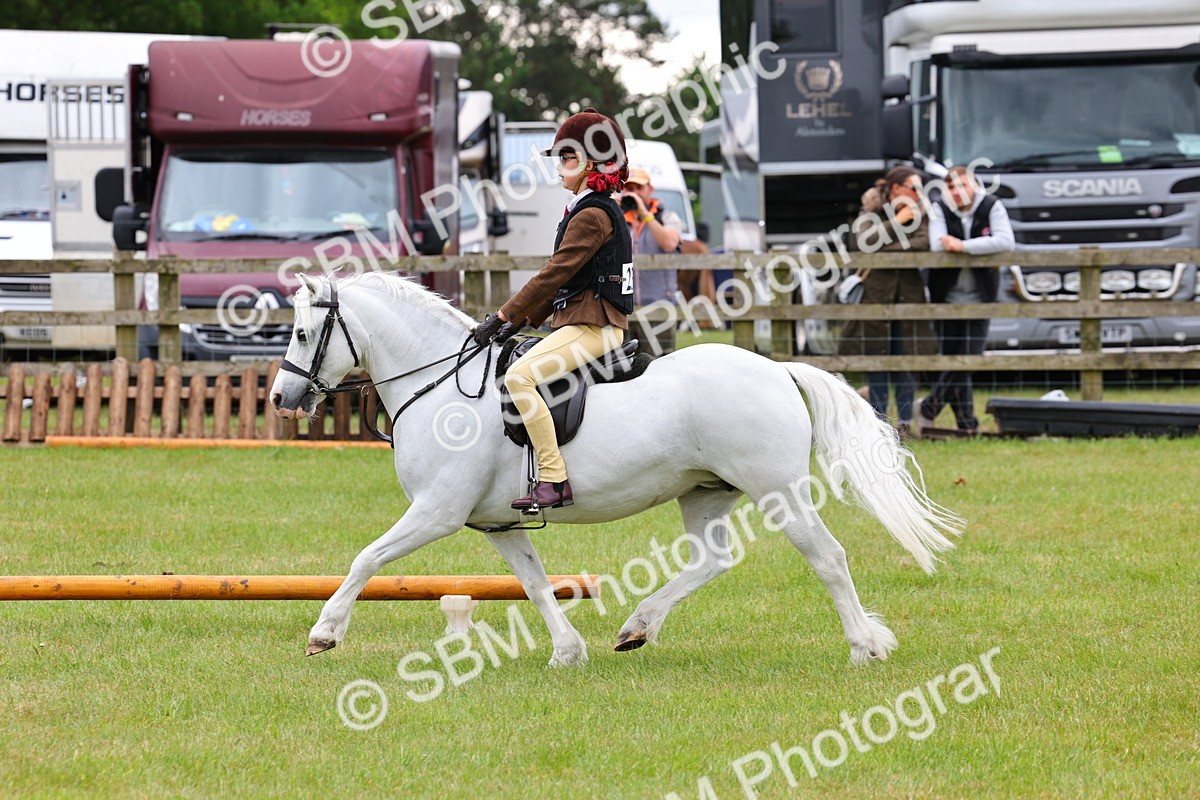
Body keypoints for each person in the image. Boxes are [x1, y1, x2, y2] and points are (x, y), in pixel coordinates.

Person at [472, 108, 633, 511]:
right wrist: (524, 321)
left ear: (591, 163)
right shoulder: (585, 208)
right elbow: (564, 281)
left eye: (567, 158)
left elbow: (553, 272)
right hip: (582, 320)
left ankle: (553, 477)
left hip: (595, 326)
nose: (559, 167)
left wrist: (503, 316)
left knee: (520, 378)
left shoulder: (593, 214)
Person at [838, 166, 937, 438]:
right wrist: (899, 221)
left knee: (905, 363)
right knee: (877, 362)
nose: (918, 194)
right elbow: (862, 241)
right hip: (876, 297)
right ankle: (879, 426)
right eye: (913, 188)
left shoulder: (921, 211)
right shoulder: (871, 208)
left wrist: (886, 245)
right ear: (896, 189)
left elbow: (923, 242)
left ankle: (904, 427)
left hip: (908, 297)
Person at [914, 166, 1014, 435]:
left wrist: (962, 246)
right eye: (952, 188)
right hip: (945, 296)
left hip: (980, 296)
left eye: (963, 186)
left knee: (968, 358)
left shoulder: (992, 205)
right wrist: (981, 247)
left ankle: (927, 408)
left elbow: (1006, 241)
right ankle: (967, 425)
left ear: (974, 186)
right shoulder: (939, 208)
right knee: (953, 360)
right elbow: (937, 245)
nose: (957, 193)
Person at [622, 167, 683, 356]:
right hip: (626, 308)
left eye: (638, 188)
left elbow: (669, 243)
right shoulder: (619, 218)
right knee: (626, 368)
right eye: (628, 187)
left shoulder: (667, 216)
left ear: (650, 189)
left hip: (660, 307)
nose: (633, 193)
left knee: (661, 366)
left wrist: (644, 214)